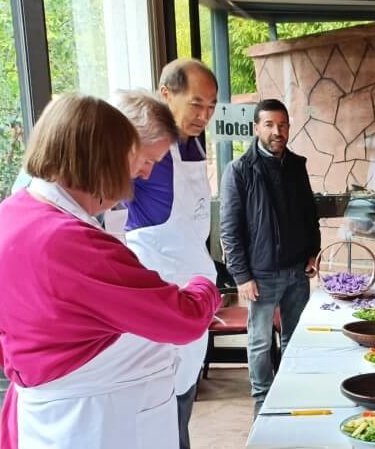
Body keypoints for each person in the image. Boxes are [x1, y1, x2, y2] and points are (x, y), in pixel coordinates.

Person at [0, 94, 221, 449]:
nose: (139, 175)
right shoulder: (71, 242)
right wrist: (204, 284)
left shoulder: (11, 214)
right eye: (135, 161)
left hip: (48, 415)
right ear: (102, 159)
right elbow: (184, 319)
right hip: (97, 421)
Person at [123, 58, 218, 449]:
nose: (204, 115)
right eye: (196, 104)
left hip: (192, 302)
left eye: (211, 107)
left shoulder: (194, 144)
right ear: (166, 94)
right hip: (157, 300)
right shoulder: (141, 147)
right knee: (159, 420)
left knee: (183, 408)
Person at [220, 99, 321, 416]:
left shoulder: (296, 165)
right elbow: (230, 230)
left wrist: (312, 253)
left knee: (295, 338)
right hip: (260, 275)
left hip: (296, 271)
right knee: (261, 342)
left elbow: (309, 215)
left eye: (283, 125)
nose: (277, 131)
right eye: (270, 124)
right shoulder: (238, 171)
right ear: (256, 128)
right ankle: (263, 401)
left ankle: (291, 392)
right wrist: (242, 276)